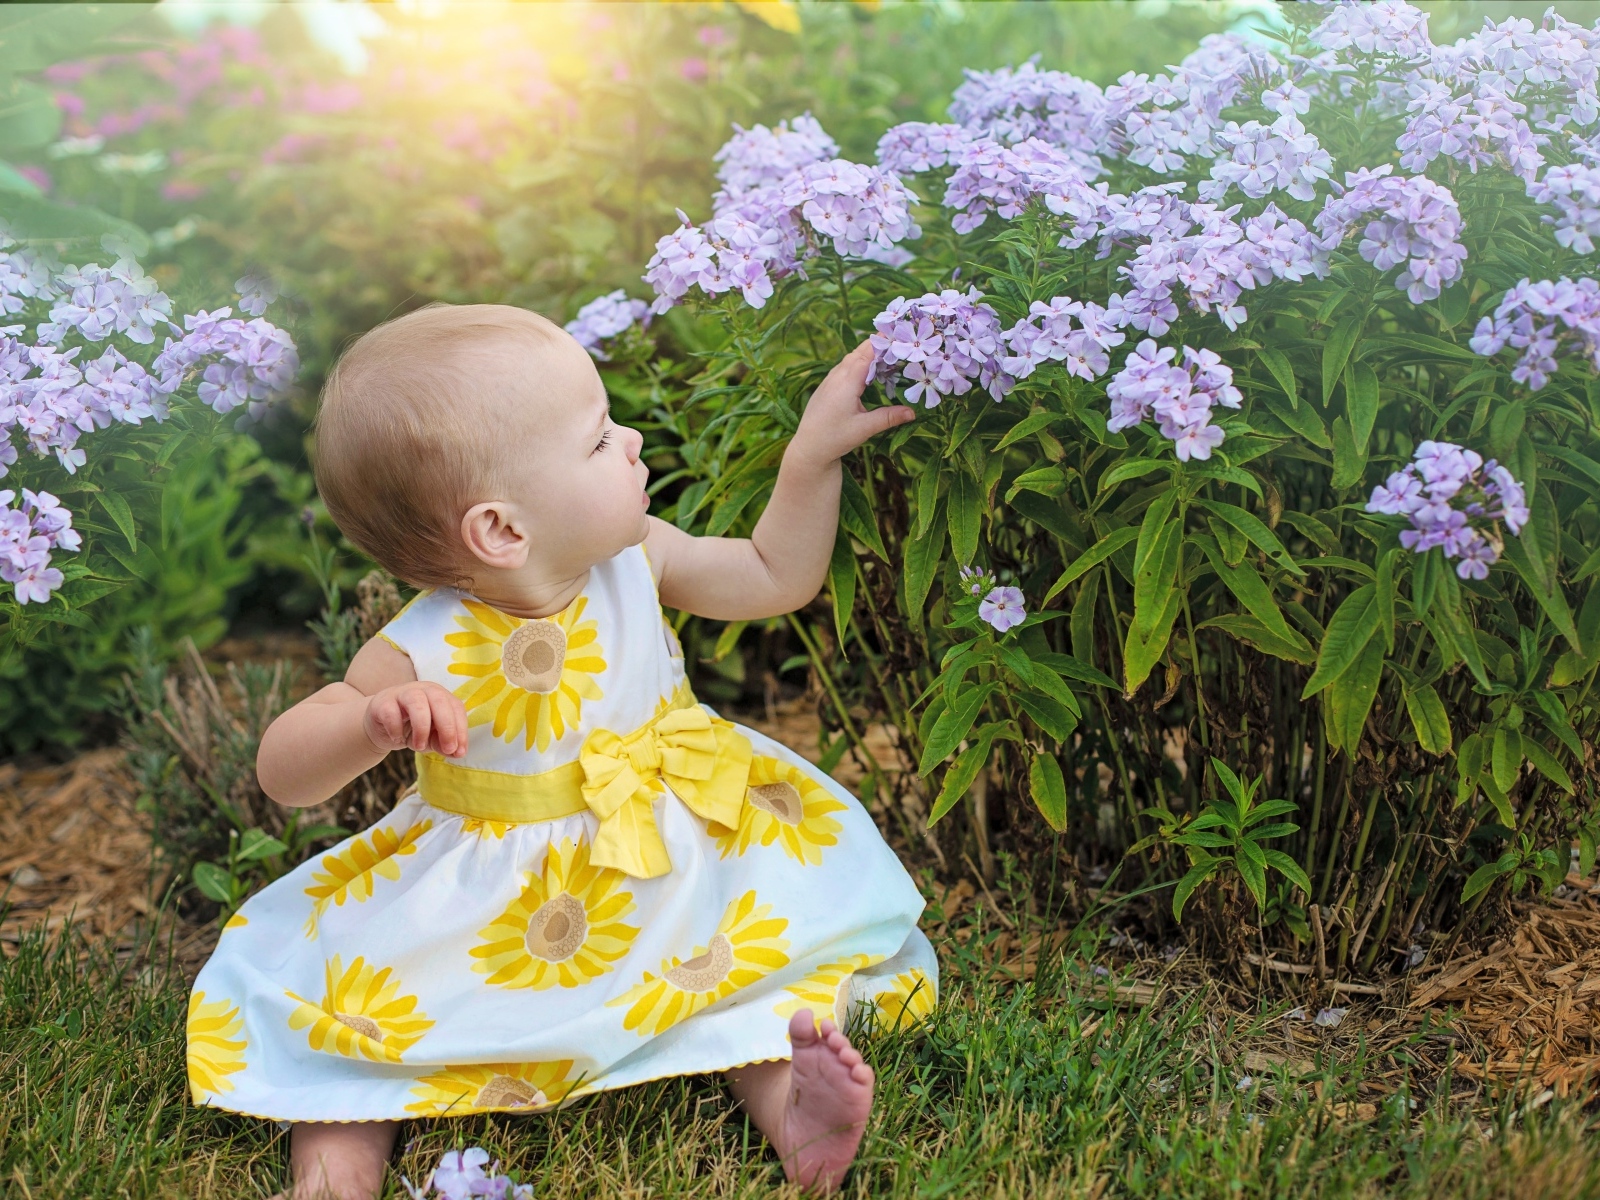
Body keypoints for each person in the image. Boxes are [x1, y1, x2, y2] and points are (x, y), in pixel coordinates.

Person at [185, 304, 939, 1199]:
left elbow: (777, 575)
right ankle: (335, 1176)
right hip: (499, 900)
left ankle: (796, 1116)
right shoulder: (426, 642)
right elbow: (284, 772)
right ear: (503, 531)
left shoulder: (638, 557)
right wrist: (366, 721)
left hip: (673, 865)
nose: (630, 440)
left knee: (747, 982)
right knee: (349, 1020)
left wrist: (810, 457)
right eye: (596, 441)